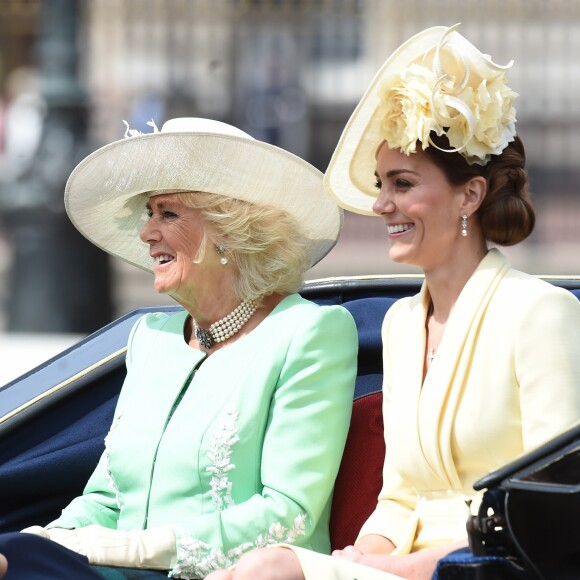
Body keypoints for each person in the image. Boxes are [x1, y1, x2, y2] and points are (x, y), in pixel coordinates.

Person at [205, 24, 580, 580]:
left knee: (269, 569)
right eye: (381, 184)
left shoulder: (541, 314)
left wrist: (406, 566)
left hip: (491, 567)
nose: (381, 204)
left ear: (469, 196)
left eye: (402, 183)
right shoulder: (402, 323)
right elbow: (400, 495)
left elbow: (546, 503)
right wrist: (365, 556)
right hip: (404, 567)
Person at [0, 117, 358, 578]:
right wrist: (40, 542)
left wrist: (134, 549)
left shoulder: (309, 332)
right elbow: (107, 500)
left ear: (231, 231)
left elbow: (287, 515)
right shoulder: (150, 339)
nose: (148, 232)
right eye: (149, 213)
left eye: (168, 214)